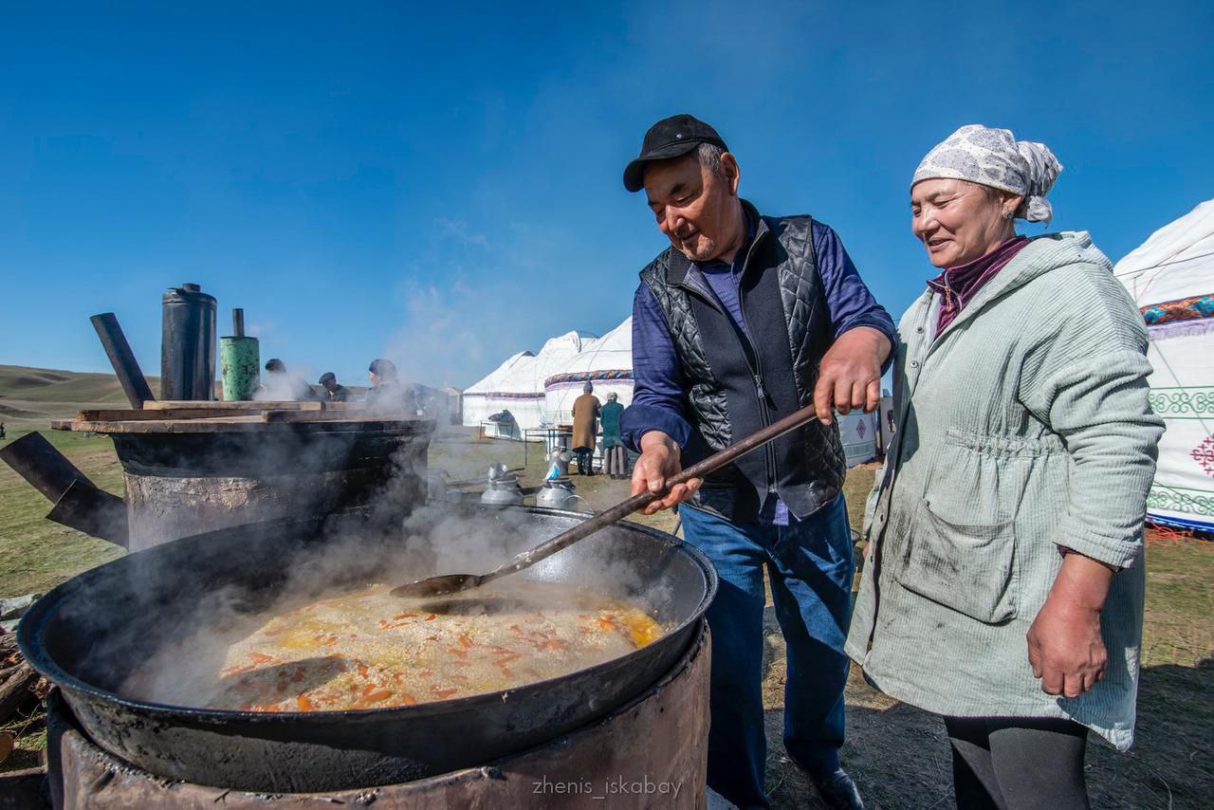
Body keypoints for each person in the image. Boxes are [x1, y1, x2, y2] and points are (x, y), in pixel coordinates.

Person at [845, 125, 1164, 810]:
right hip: (960, 601)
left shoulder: (1068, 294)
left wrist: (1077, 607)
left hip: (1030, 600)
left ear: (1006, 198)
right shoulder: (932, 307)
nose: (922, 222)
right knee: (977, 783)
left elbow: (1119, 443)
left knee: (1035, 789)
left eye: (941, 202)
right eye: (914, 207)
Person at [620, 114, 895, 810]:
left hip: (813, 495)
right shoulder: (657, 288)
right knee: (733, 667)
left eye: (681, 196)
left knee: (823, 649)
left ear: (729, 174)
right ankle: (739, 793)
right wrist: (658, 444)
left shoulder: (807, 245)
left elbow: (866, 317)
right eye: (656, 210)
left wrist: (861, 345)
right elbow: (656, 394)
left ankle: (817, 757)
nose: (669, 222)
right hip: (722, 511)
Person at [570, 381, 601, 476]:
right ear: (591, 390)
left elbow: (573, 413)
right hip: (589, 426)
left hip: (578, 427)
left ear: (583, 390)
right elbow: (600, 413)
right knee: (589, 446)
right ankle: (589, 470)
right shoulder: (595, 399)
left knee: (580, 447)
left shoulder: (577, 399)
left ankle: (580, 469)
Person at [600, 392, 627, 479]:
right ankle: (621, 472)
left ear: (608, 398)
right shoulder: (620, 407)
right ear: (615, 398)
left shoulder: (603, 408)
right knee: (619, 449)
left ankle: (607, 472)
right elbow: (623, 418)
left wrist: (606, 426)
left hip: (607, 430)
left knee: (607, 450)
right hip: (617, 430)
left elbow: (601, 421)